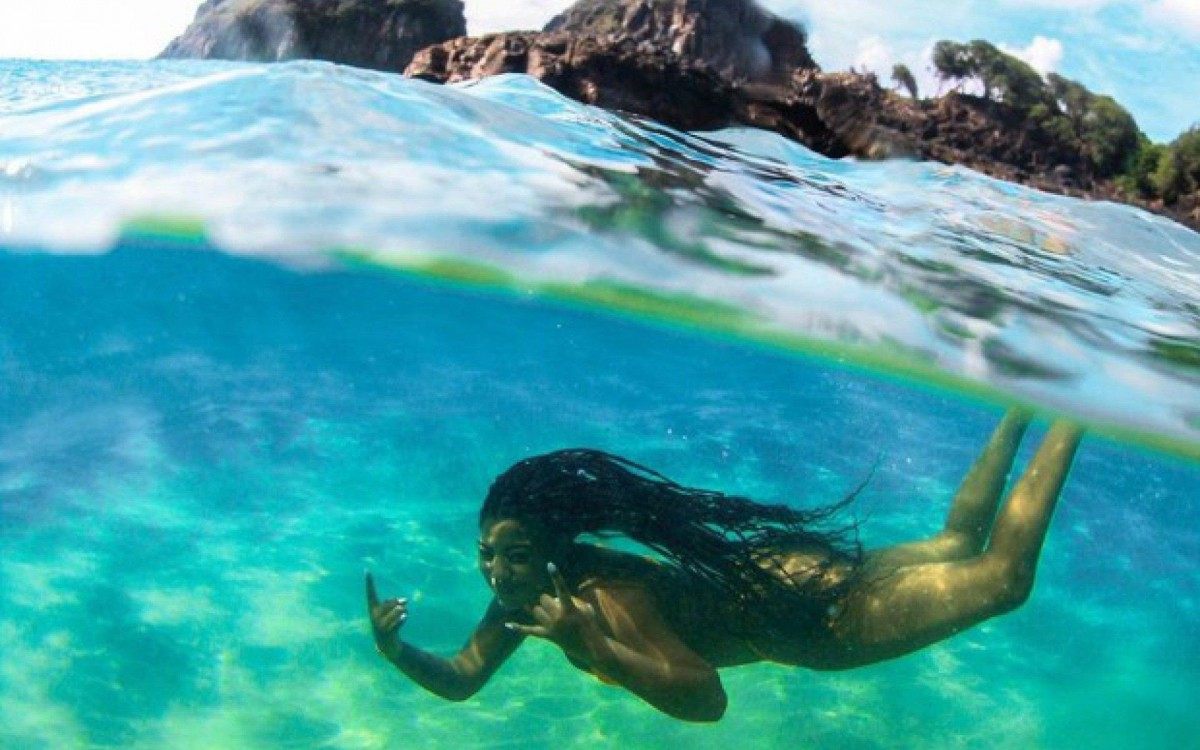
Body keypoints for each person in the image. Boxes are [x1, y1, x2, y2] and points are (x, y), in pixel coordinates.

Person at [366, 409, 1082, 722]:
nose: (497, 572)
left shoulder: (599, 597)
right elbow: (463, 678)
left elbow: (706, 699)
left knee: (1001, 579)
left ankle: (1069, 410)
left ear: (553, 549)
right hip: (774, 573)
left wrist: (596, 646)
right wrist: (396, 650)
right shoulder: (529, 597)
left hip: (809, 618)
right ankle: (1028, 401)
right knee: (954, 543)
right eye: (487, 553)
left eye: (515, 555)